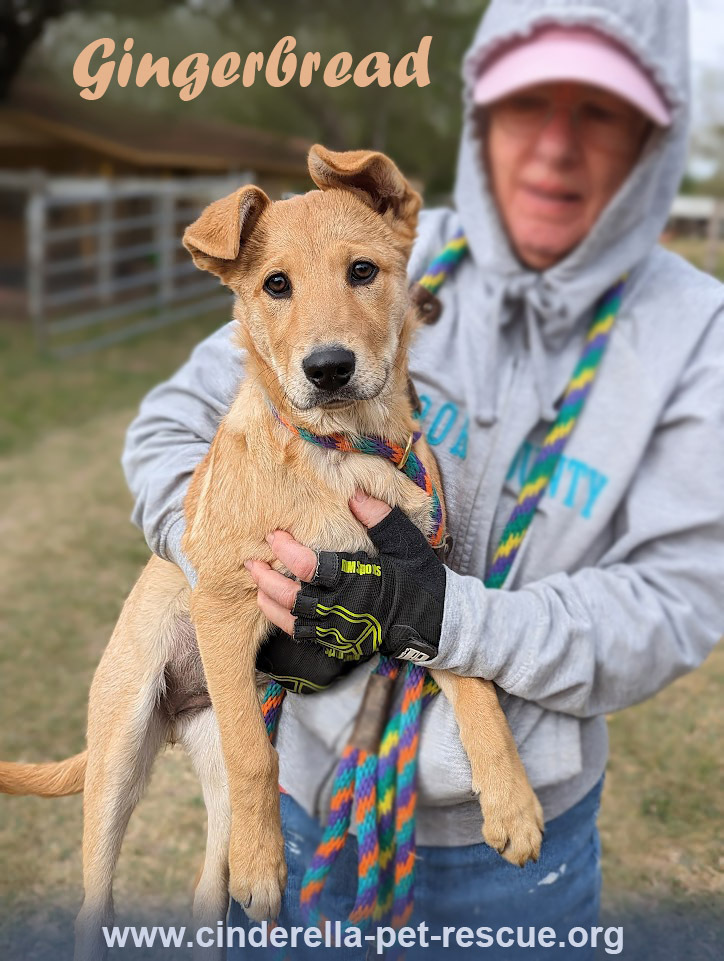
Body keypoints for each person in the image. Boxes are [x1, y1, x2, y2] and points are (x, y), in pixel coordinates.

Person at [122, 0, 724, 957]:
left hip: (513, 855)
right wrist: (225, 558)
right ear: (481, 113)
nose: (555, 149)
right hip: (301, 799)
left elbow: (674, 602)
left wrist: (435, 615)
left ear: (656, 137)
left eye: (601, 111)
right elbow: (167, 425)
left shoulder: (698, 335)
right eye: (527, 104)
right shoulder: (363, 232)